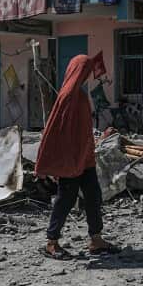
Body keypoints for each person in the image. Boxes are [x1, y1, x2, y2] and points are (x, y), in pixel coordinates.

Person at [36, 53, 117, 260]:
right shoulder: (67, 97)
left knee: (93, 196)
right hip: (71, 160)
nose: (88, 75)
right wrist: (51, 164)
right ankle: (51, 242)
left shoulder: (79, 95)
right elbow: (55, 131)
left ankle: (96, 239)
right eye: (86, 70)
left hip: (85, 158)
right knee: (66, 199)